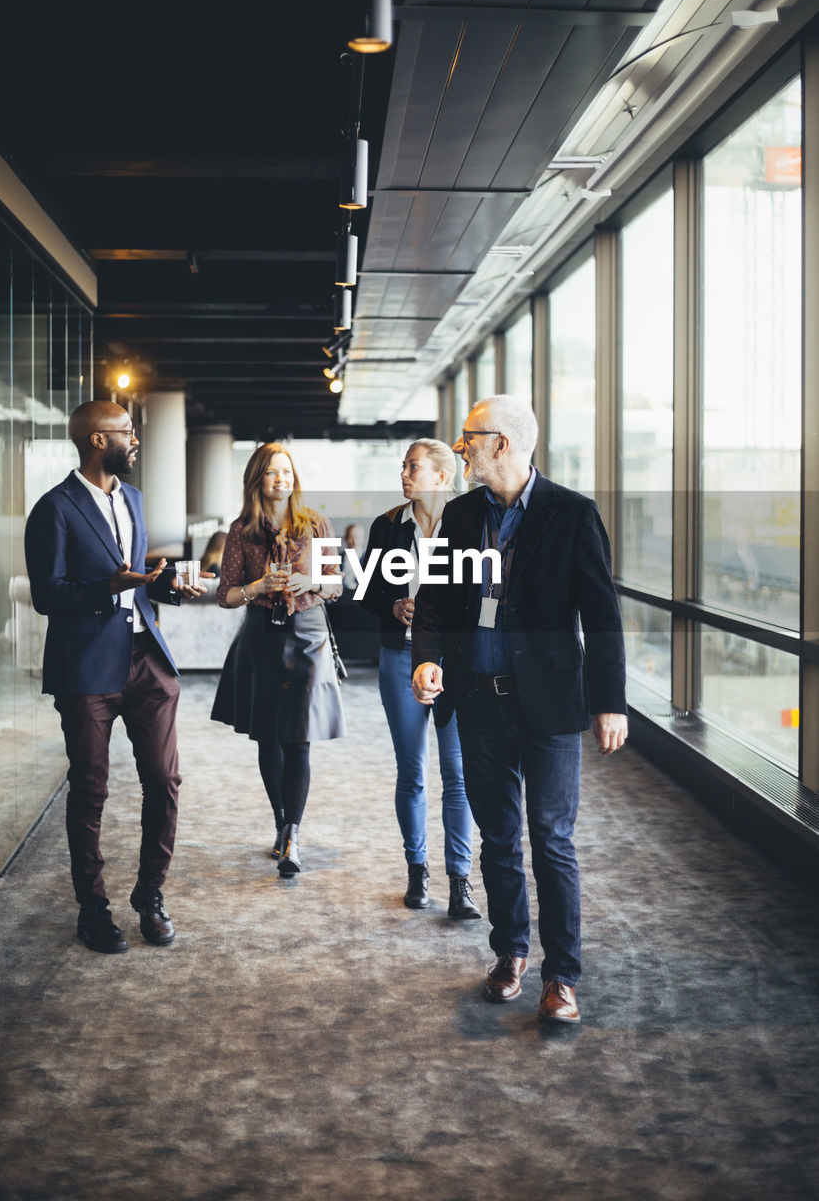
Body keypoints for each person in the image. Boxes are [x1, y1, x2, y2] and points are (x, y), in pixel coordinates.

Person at [412, 396, 627, 1024]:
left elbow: (603, 616)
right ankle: (510, 953)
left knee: (551, 840)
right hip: (478, 701)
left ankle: (561, 976)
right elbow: (432, 603)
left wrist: (608, 702)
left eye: (468, 437)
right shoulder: (458, 515)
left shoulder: (571, 514)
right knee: (499, 839)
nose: (460, 447)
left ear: (500, 444)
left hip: (551, 708)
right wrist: (429, 659)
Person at [24, 400, 209, 954]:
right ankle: (92, 909)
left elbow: (136, 583)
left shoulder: (132, 498)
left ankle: (150, 894)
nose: (135, 440)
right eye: (127, 432)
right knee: (91, 790)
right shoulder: (52, 509)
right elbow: (46, 595)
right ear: (97, 441)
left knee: (164, 779)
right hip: (86, 668)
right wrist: (110, 584)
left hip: (145, 658)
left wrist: (165, 586)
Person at [211, 443, 344, 875]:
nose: (280, 479)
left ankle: (293, 834)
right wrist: (259, 587)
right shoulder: (241, 531)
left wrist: (311, 580)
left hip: (307, 636)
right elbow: (226, 596)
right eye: (270, 472)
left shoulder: (316, 524)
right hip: (261, 638)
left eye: (286, 471)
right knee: (268, 737)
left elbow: (336, 586)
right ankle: (280, 824)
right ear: (257, 480)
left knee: (299, 738)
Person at [362, 439, 480, 920]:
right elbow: (367, 590)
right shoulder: (388, 527)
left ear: (441, 477)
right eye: (404, 466)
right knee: (411, 772)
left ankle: (460, 880)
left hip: (454, 662)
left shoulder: (471, 525)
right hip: (400, 657)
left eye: (414, 467)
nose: (405, 474)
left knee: (458, 775)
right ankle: (417, 870)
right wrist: (392, 605)